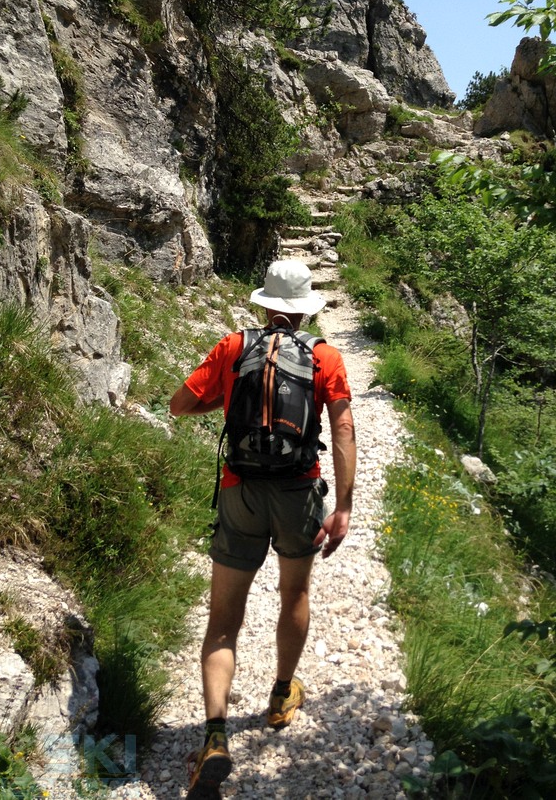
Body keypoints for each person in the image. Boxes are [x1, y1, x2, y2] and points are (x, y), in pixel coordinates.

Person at [170, 259, 356, 800]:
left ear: (264, 305)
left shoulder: (233, 347)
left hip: (239, 490)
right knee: (293, 592)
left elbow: (179, 405)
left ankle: (214, 737)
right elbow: (342, 427)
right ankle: (279, 696)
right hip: (299, 492)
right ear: (304, 311)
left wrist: (227, 400)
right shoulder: (325, 356)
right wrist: (342, 506)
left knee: (224, 618)